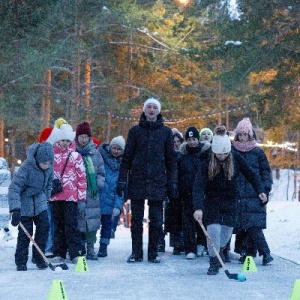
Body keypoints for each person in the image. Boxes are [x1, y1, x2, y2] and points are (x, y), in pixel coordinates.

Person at [193, 125, 268, 275]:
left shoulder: (236, 158)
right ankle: (214, 262)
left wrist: (260, 190)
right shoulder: (207, 162)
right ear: (214, 152)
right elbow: (198, 186)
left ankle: (219, 251)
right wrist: (198, 207)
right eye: (218, 154)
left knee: (226, 233)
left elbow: (252, 174)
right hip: (212, 200)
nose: (222, 157)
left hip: (231, 201)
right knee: (213, 230)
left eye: (225, 153)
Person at [117, 97, 178, 263]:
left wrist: (173, 182)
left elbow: (171, 160)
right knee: (136, 219)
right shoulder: (135, 131)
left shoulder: (166, 132)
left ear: (158, 111)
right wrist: (122, 180)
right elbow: (127, 157)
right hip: (137, 179)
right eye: (149, 107)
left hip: (158, 180)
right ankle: (136, 252)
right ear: (144, 110)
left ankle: (153, 253)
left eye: (154, 107)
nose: (151, 110)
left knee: (156, 220)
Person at [232, 118, 273, 265]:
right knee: (241, 226)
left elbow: (265, 173)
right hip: (237, 194)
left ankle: (265, 252)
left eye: (245, 134)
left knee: (253, 226)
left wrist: (265, 190)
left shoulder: (257, 152)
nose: (242, 137)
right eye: (240, 135)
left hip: (255, 194)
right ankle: (246, 253)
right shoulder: (232, 150)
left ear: (250, 135)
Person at [8, 142, 54, 271]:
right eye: (44, 163)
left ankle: (39, 258)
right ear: (38, 160)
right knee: (25, 233)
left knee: (44, 228)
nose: (47, 166)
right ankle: (21, 261)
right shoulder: (26, 167)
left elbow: (49, 183)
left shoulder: (50, 167)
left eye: (49, 163)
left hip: (40, 200)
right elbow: (14, 188)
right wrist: (15, 209)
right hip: (25, 202)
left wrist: (46, 197)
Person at [49, 124, 87, 264]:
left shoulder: (76, 156)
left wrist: (81, 196)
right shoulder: (52, 155)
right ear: (58, 140)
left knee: (71, 225)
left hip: (71, 197)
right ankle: (59, 252)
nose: (64, 143)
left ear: (71, 142)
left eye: (67, 141)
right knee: (58, 225)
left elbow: (81, 176)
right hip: (55, 196)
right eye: (62, 140)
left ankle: (74, 253)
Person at [177, 126, 211, 259]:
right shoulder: (182, 155)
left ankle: (201, 244)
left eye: (194, 139)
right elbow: (178, 173)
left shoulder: (205, 153)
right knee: (188, 222)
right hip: (186, 193)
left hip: (202, 193)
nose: (192, 142)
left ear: (198, 139)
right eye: (189, 139)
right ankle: (190, 248)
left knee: (202, 220)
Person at [75, 122, 105, 260]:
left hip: (92, 193)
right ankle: (79, 248)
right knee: (78, 221)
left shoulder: (95, 153)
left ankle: (91, 249)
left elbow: (100, 171)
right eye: (81, 137)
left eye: (86, 137)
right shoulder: (73, 152)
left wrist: (98, 184)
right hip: (76, 193)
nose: (83, 139)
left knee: (91, 223)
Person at [98, 136, 125, 256]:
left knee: (107, 225)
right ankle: (87, 245)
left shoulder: (123, 165)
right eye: (114, 148)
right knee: (91, 224)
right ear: (110, 147)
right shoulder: (101, 157)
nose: (116, 151)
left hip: (111, 198)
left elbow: (121, 189)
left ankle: (103, 246)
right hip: (98, 196)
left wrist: (117, 206)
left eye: (119, 149)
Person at [164, 128, 185, 255]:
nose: (176, 144)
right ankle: (176, 243)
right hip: (170, 189)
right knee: (172, 218)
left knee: (182, 217)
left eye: (178, 141)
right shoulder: (167, 155)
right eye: (173, 141)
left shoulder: (184, 155)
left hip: (182, 188)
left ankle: (183, 242)